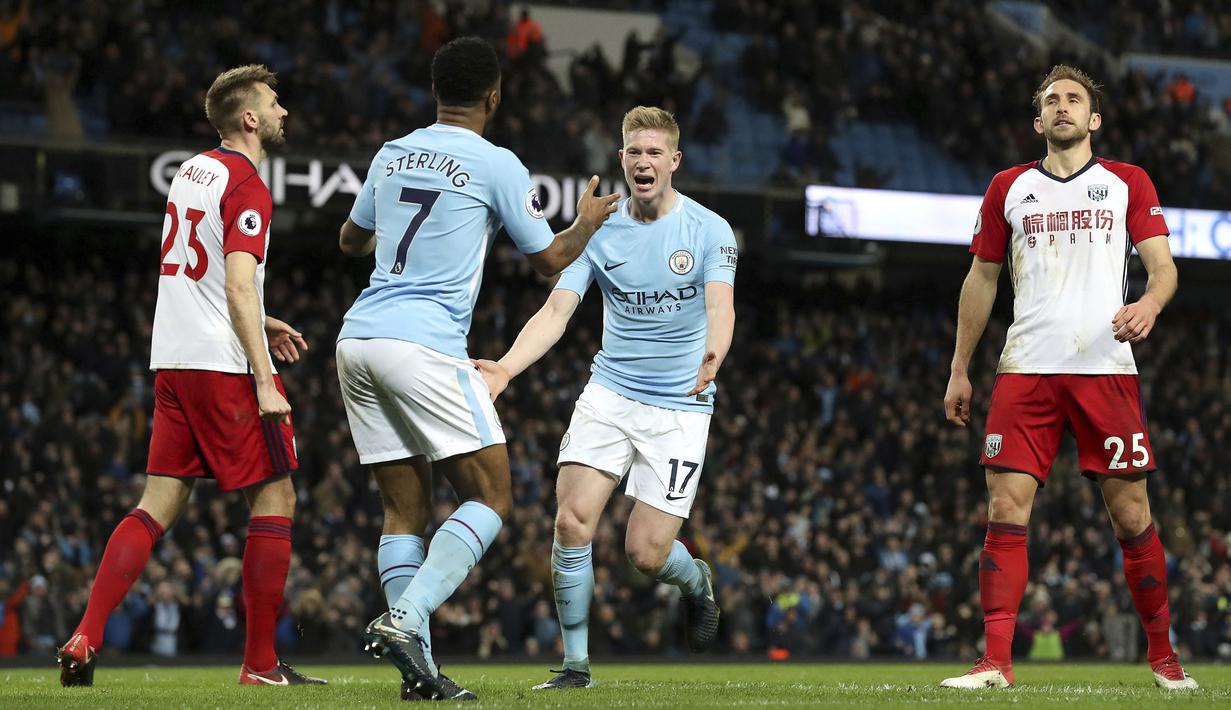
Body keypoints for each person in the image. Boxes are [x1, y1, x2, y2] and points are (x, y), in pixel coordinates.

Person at [335, 36, 619, 702]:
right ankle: (405, 619)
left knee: (403, 513)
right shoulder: (495, 163)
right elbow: (549, 260)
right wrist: (585, 223)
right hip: (423, 344)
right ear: (494, 96)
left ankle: (420, 675)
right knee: (491, 496)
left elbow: (350, 241)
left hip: (358, 338)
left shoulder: (391, 152)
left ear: (435, 93)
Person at [56, 64, 324, 687]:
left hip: (172, 358)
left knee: (158, 501)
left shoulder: (191, 170)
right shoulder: (250, 184)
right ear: (250, 118)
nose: (284, 112)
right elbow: (232, 283)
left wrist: (265, 315)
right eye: (275, 103)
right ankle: (259, 665)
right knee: (277, 494)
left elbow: (204, 275)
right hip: (220, 364)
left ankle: (85, 635)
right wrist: (263, 377)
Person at [940, 64, 1195, 691]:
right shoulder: (1007, 187)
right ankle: (996, 660)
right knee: (1004, 506)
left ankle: (1163, 657)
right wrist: (959, 368)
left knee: (1131, 514)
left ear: (1094, 118)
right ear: (1037, 121)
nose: (1062, 108)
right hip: (1025, 368)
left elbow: (1163, 268)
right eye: (1051, 101)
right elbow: (981, 278)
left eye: (1074, 100)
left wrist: (1150, 304)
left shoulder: (1127, 183)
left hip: (1105, 368)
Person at [472, 105, 738, 690]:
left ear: (674, 162)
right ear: (621, 159)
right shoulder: (601, 229)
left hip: (681, 407)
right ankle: (575, 667)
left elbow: (721, 304)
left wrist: (714, 355)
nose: (644, 162)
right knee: (571, 523)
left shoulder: (709, 229)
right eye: (634, 152)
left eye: (654, 153)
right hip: (611, 393)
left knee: (645, 554)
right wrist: (508, 369)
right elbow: (557, 310)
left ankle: (697, 582)